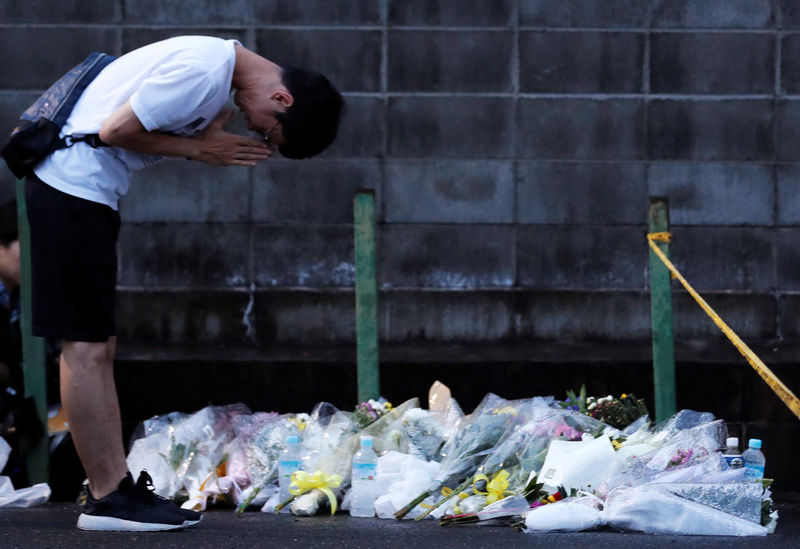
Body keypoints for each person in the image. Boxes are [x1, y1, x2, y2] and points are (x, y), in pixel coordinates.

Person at [22, 35, 343, 531]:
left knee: (98, 345)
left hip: (86, 192)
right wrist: (201, 151)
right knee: (84, 346)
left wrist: (208, 137)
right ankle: (107, 498)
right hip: (71, 186)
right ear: (282, 99)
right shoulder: (203, 69)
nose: (259, 135)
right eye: (270, 132)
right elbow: (113, 130)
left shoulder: (217, 76)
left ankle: (115, 489)